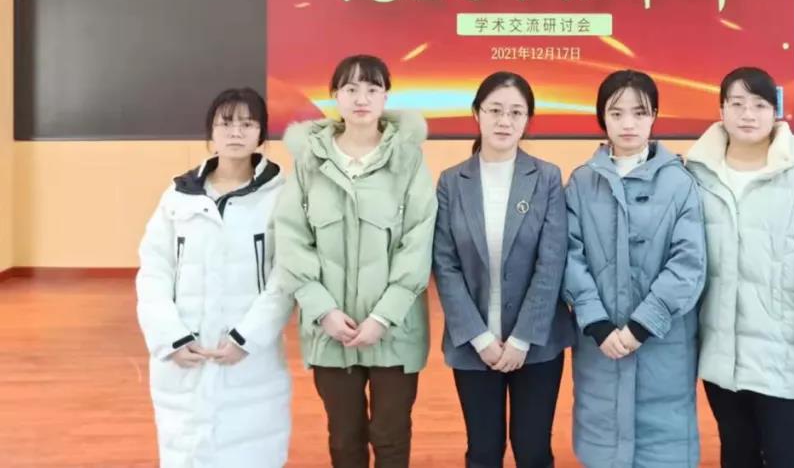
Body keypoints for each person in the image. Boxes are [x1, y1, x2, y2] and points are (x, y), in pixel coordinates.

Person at [273, 54, 436, 468]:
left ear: (385, 97)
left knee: (391, 437)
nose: (361, 98)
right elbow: (291, 239)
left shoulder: (408, 160)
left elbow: (418, 243)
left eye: (372, 88)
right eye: (351, 89)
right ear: (335, 97)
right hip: (331, 332)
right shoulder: (309, 160)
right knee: (344, 438)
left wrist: (383, 317)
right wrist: (323, 310)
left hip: (395, 331)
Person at [686, 67, 794, 468]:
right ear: (721, 110)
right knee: (735, 450)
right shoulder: (697, 175)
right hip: (720, 353)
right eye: (737, 104)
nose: (747, 114)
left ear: (775, 113)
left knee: (785, 454)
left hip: (782, 355)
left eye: (759, 105)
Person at [136, 87, 292, 468]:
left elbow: (286, 277)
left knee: (252, 449)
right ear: (211, 132)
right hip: (185, 355)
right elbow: (153, 270)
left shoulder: (281, 195)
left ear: (261, 134)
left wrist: (246, 338)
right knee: (186, 451)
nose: (236, 132)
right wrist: (170, 338)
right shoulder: (178, 196)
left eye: (247, 124)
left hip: (249, 357)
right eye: (226, 123)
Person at [563, 69, 707, 468]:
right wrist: (597, 323)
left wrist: (642, 325)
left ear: (654, 116)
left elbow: (689, 263)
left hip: (664, 343)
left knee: (662, 452)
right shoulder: (581, 183)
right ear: (602, 118)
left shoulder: (680, 183)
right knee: (604, 447)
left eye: (639, 112)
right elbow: (569, 257)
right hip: (600, 345)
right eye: (617, 113)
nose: (628, 123)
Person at [432, 71, 574, 468]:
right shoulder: (451, 182)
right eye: (494, 110)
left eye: (515, 112)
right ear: (476, 114)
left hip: (537, 344)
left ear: (527, 120)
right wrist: (479, 338)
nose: (504, 121)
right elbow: (445, 264)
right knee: (483, 451)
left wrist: (522, 339)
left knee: (533, 450)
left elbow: (551, 262)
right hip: (473, 344)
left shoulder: (546, 177)